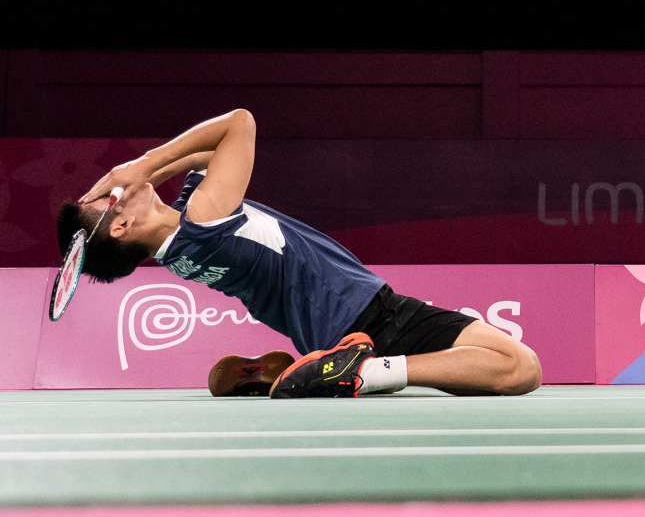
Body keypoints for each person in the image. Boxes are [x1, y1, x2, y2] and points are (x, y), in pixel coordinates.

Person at [59, 110, 542, 398]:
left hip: (334, 327)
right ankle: (366, 372)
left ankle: (309, 369)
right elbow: (238, 125)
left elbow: (206, 157)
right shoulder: (202, 223)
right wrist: (143, 164)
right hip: (366, 315)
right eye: (100, 197)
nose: (109, 185)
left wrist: (142, 175)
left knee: (488, 362)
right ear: (120, 225)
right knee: (520, 367)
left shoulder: (183, 240)